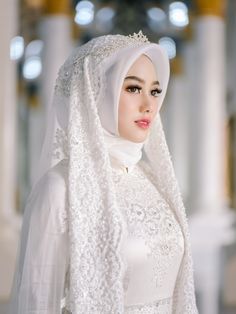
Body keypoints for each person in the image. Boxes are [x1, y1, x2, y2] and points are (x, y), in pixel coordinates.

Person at [9, 31, 198, 313]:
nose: (149, 105)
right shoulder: (59, 188)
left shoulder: (152, 179)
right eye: (133, 88)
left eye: (155, 91)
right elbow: (38, 301)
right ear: (95, 92)